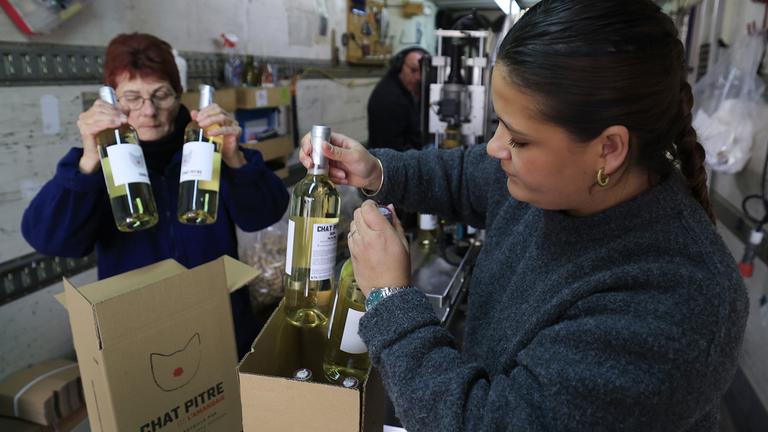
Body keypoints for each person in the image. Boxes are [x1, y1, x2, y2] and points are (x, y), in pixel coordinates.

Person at [300, 1, 748, 430]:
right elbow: (461, 173)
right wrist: (377, 169)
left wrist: (389, 299)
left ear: (608, 149)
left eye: (518, 138)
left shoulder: (674, 305)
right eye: (498, 123)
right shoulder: (546, 181)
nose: (496, 148)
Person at [21, 33, 289, 359]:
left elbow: (264, 213)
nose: (148, 111)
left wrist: (235, 157)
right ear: (111, 100)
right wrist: (89, 160)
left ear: (179, 95)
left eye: (161, 95)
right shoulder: (93, 163)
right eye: (131, 97)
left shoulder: (209, 148)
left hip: (221, 318)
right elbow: (52, 241)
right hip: (139, 329)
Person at [367, 46, 427, 152]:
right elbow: (392, 149)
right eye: (413, 70)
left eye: (422, 71)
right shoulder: (390, 98)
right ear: (399, 67)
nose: (419, 77)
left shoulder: (401, 88)